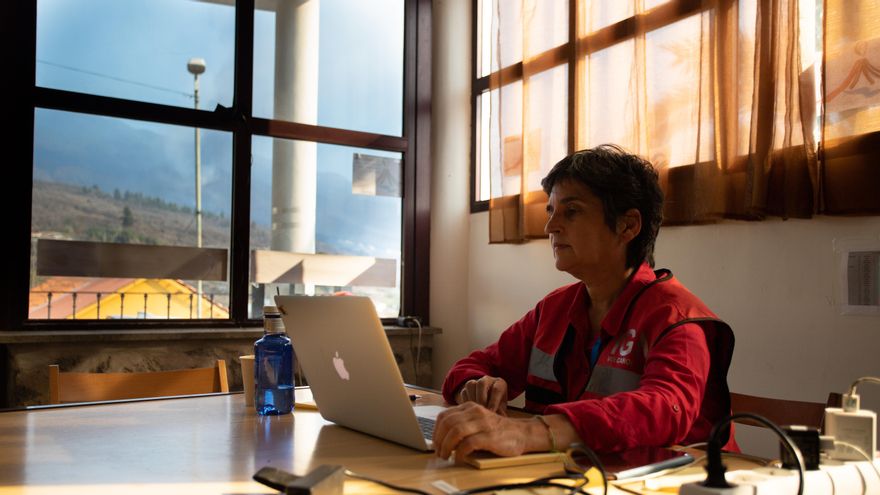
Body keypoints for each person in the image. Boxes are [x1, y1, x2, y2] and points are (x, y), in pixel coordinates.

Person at [433, 144, 737, 461]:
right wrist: (473, 387)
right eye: (550, 211)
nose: (550, 227)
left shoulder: (677, 317)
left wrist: (528, 432)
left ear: (628, 225)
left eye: (572, 211)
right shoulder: (554, 310)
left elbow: (665, 407)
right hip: (569, 474)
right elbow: (469, 367)